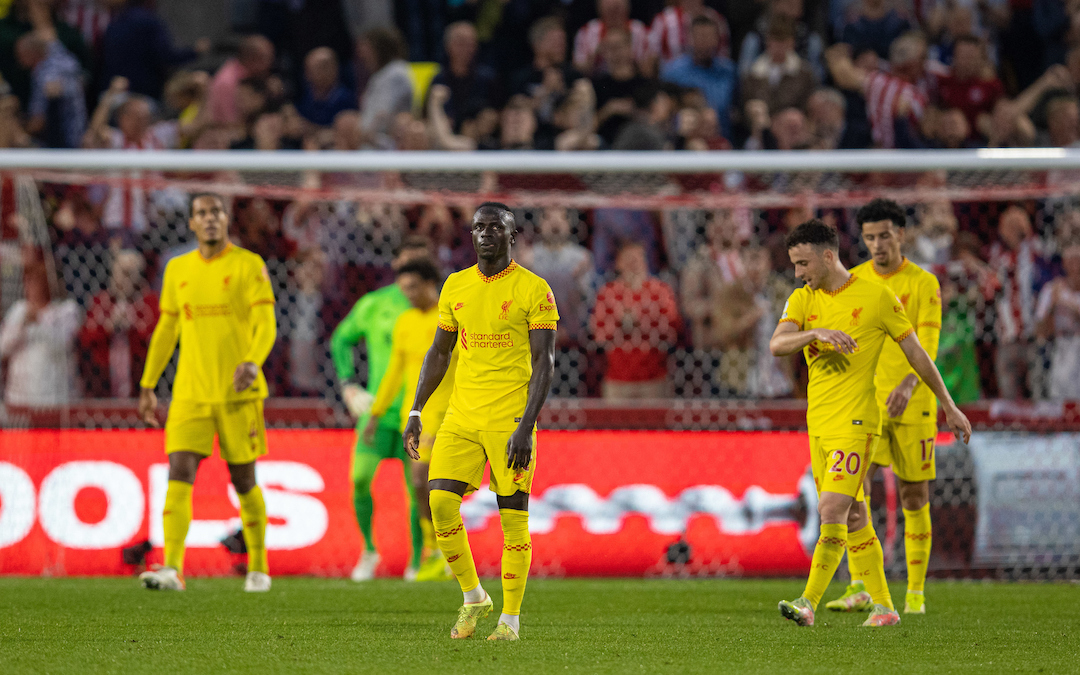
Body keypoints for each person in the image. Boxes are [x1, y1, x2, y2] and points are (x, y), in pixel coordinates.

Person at [770, 218, 970, 629]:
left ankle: (807, 603)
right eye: (794, 264)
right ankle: (885, 607)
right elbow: (778, 343)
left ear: (828, 256)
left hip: (858, 423)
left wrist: (948, 405)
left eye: (803, 263)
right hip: (820, 425)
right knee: (856, 516)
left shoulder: (877, 298)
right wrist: (815, 334)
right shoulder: (803, 299)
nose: (798, 273)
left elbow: (917, 354)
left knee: (831, 510)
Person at [403, 202, 558, 641]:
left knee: (513, 518)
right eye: (479, 227)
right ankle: (474, 597)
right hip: (461, 415)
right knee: (438, 504)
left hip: (509, 418)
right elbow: (439, 352)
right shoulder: (455, 285)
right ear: (470, 235)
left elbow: (544, 362)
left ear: (513, 235)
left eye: (496, 227)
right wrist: (416, 410)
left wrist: (526, 425)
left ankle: (510, 619)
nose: (486, 233)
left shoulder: (534, 289)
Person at [136, 192, 277, 593]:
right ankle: (173, 569)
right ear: (191, 224)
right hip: (190, 393)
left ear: (226, 219)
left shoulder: (249, 265)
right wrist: (148, 384)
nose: (210, 218)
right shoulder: (177, 269)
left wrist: (252, 361)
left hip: (238, 394)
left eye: (216, 211)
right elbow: (167, 330)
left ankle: (259, 567)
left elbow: (267, 322)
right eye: (202, 213)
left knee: (244, 479)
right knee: (179, 473)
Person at [824, 198, 942, 616]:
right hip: (867, 402)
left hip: (914, 403)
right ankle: (859, 587)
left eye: (885, 236)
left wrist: (910, 383)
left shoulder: (923, 283)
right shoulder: (852, 280)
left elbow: (927, 343)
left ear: (901, 235)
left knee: (913, 494)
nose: (877, 244)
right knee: (855, 491)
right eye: (870, 237)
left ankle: (914, 594)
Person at [329, 236, 432, 581]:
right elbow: (341, 338)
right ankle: (369, 551)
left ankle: (419, 560)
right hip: (380, 410)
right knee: (359, 479)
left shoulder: (442, 307)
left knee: (416, 490)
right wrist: (347, 385)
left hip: (420, 415)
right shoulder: (375, 304)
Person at [365, 257, 456, 583]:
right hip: (415, 415)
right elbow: (394, 372)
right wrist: (375, 414)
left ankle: (441, 551)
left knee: (425, 480)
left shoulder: (450, 318)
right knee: (421, 485)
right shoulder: (404, 321)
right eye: (404, 289)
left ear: (432, 284)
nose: (409, 295)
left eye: (414, 287)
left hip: (447, 412)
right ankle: (438, 552)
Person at [591, 241, 681, 399]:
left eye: (638, 258)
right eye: (628, 259)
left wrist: (639, 320)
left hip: (654, 376)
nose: (634, 264)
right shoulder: (608, 293)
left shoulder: (660, 291)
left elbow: (671, 329)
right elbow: (599, 334)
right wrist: (621, 322)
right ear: (618, 263)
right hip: (618, 377)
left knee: (654, 423)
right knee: (615, 422)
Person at [0, 249, 81, 408]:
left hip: (54, 395)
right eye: (27, 281)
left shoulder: (65, 310)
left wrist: (40, 320)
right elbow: (3, 347)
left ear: (47, 283)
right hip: (19, 395)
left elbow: (63, 345)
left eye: (35, 282)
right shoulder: (19, 309)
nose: (29, 287)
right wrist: (22, 324)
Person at [78, 249, 158, 398]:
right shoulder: (100, 302)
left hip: (140, 380)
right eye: (120, 272)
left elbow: (156, 339)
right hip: (102, 382)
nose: (123, 279)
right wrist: (108, 328)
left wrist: (133, 328)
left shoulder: (149, 302)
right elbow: (86, 338)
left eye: (129, 273)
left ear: (139, 275)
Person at [659, 16, 738, 140]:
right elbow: (663, 115)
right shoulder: (673, 72)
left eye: (709, 36)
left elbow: (736, 111)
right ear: (690, 39)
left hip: (724, 146)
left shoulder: (729, 71)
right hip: (685, 146)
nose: (704, 42)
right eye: (700, 36)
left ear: (717, 39)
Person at [1035, 243, 1080, 400]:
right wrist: (1053, 306)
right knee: (1059, 393)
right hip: (1060, 345)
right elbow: (1040, 329)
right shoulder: (1052, 289)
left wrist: (1069, 305)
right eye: (1072, 262)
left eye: (1078, 261)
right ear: (1065, 264)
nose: (1076, 267)